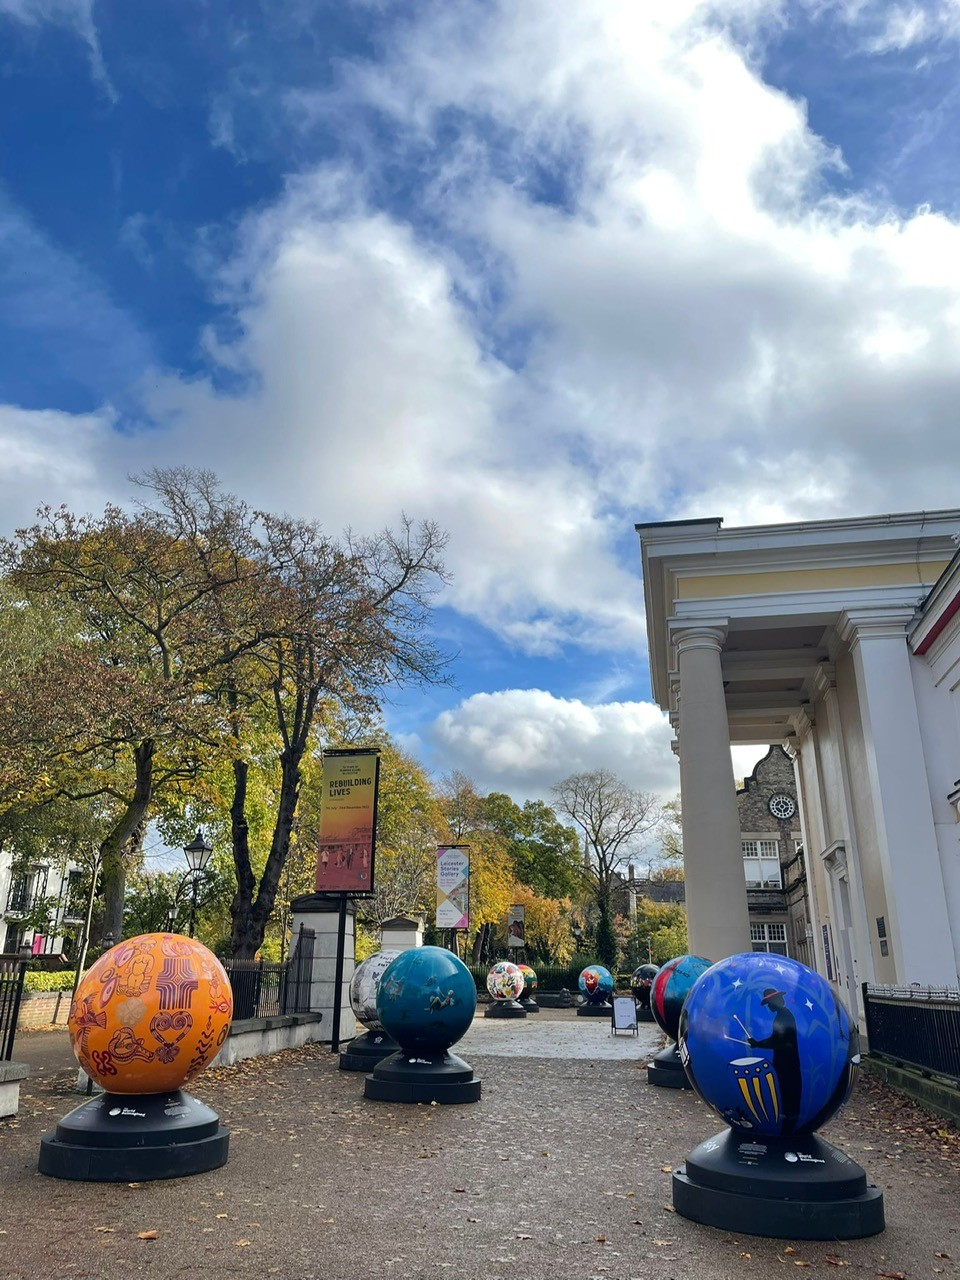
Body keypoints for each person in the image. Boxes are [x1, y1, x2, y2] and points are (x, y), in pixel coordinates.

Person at [748, 987, 803, 1133]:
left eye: (769, 1003)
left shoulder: (783, 1017)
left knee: (789, 1093)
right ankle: (788, 1122)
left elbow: (777, 1041)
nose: (769, 1006)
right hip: (785, 1062)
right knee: (787, 1093)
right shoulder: (783, 1015)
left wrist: (758, 1044)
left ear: (775, 1001)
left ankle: (789, 1125)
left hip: (787, 1063)